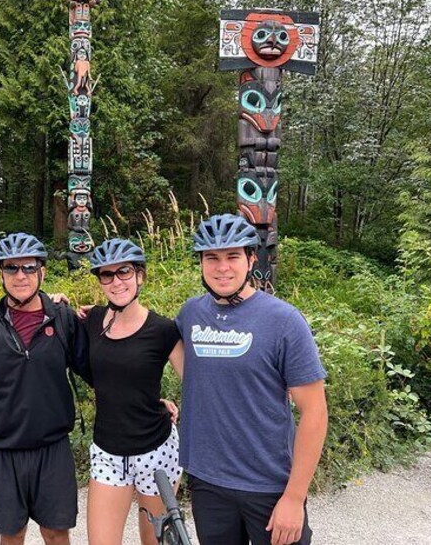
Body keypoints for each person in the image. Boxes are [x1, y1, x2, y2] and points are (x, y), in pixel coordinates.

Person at [175, 214, 328, 545]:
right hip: (207, 481)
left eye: (232, 256)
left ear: (251, 259)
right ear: (201, 263)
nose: (222, 267)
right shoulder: (190, 314)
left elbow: (314, 412)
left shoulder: (284, 321)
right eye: (211, 258)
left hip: (268, 485)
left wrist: (294, 497)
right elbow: (145, 340)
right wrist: (90, 313)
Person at [0, 233, 92, 545]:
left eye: (29, 267)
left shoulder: (63, 318)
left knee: (56, 534)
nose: (20, 276)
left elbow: (98, 372)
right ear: (1, 274)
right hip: (3, 450)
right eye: (11, 268)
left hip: (52, 447)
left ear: (42, 271)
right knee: (12, 534)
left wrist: (102, 319)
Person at [83, 238, 184, 545]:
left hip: (157, 449)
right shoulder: (92, 320)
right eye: (107, 274)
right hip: (108, 452)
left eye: (124, 271)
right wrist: (55, 300)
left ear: (141, 275)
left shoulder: (163, 330)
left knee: (153, 541)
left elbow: (198, 384)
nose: (116, 281)